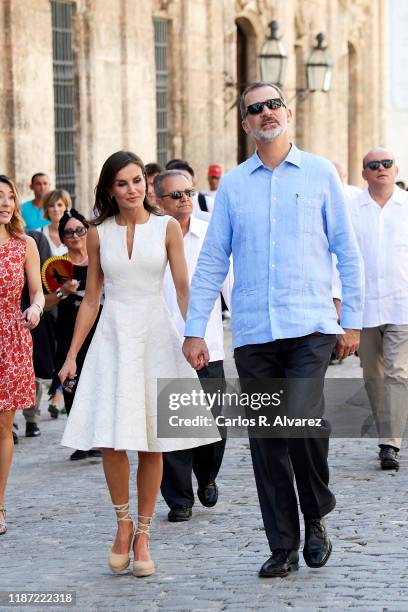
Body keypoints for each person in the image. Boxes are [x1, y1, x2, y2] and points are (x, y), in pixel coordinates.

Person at [182, 81, 363, 578]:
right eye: (254, 109)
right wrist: (195, 329)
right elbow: (214, 259)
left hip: (310, 325)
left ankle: (315, 515)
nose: (265, 113)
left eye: (272, 105)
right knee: (267, 440)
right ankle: (282, 544)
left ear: (289, 112)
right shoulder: (235, 186)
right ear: (245, 124)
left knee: (302, 420)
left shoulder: (322, 173)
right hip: (255, 330)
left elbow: (347, 252)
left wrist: (352, 321)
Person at [59, 151, 218, 577]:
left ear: (146, 185)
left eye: (137, 181)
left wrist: (196, 333)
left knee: (152, 440)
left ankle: (144, 534)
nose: (132, 189)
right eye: (122, 183)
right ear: (110, 189)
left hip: (155, 336)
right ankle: (122, 524)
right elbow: (91, 299)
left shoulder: (167, 227)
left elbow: (183, 288)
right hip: (112, 336)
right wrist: (72, 355)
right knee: (111, 439)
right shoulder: (97, 234)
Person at [155, 169, 232, 522]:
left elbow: (230, 285)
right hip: (164, 344)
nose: (185, 198)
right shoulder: (150, 239)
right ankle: (179, 499)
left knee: (214, 425)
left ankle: (207, 475)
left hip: (208, 343)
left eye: (189, 192)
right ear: (157, 200)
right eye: (176, 194)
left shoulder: (210, 235)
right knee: (173, 427)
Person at [350, 148, 408, 471]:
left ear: (396, 169)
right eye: (374, 165)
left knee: (398, 373)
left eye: (387, 164)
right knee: (373, 374)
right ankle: (388, 429)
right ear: (365, 173)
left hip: (403, 303)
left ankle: (390, 442)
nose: (381, 169)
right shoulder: (352, 210)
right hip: (366, 306)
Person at [0, 174, 44, 535]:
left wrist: (36, 309)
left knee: (3, 427)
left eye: (10, 196)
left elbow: (37, 292)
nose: (5, 202)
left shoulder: (24, 243)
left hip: (11, 337)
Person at [44, 210, 101, 456]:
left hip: (99, 329)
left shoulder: (100, 260)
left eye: (80, 230)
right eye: (69, 232)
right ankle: (80, 441)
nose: (75, 236)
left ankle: (99, 438)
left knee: (98, 382)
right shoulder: (59, 265)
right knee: (71, 384)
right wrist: (62, 292)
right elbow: (44, 303)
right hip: (68, 333)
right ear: (63, 238)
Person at [20, 229, 53, 438]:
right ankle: (12, 426)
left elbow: (42, 284)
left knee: (32, 370)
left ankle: (31, 417)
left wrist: (37, 307)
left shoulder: (33, 240)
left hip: (29, 315)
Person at [37, 189, 71, 256]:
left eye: (60, 205)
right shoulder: (38, 234)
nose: (56, 209)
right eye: (51, 205)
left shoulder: (77, 234)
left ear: (66, 208)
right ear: (46, 209)